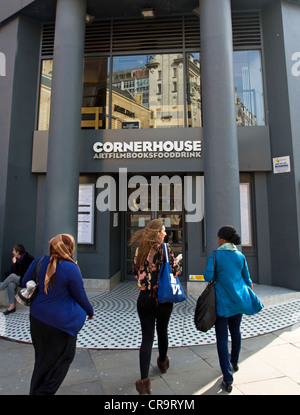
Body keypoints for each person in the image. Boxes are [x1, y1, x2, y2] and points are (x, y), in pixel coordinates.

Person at [22, 233, 94, 395]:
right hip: (61, 324)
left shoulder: (39, 261)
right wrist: (90, 311)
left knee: (42, 360)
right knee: (65, 357)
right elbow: (80, 295)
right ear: (69, 248)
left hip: (37, 318)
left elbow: (24, 280)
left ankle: (35, 391)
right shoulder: (70, 267)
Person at [204, 225, 263, 393]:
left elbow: (208, 276)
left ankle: (228, 378)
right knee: (236, 331)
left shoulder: (216, 255)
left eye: (217, 237)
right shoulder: (240, 256)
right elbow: (248, 280)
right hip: (238, 301)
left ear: (222, 239)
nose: (216, 239)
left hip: (222, 304)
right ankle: (234, 362)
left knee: (222, 338)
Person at [130, 219, 182, 395]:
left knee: (146, 338)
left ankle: (144, 381)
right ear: (157, 232)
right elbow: (174, 271)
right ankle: (162, 362)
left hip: (144, 297)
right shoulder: (165, 249)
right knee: (162, 331)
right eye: (164, 230)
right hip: (162, 299)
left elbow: (135, 272)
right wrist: (178, 262)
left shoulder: (140, 249)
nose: (166, 233)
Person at [0, 244, 34, 314]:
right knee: (11, 284)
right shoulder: (18, 259)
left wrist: (15, 264)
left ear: (18, 252)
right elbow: (14, 271)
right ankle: (11, 307)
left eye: (14, 250)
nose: (12, 252)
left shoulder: (28, 259)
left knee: (12, 276)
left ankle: (0, 288)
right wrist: (15, 264)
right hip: (20, 279)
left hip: (27, 280)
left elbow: (22, 273)